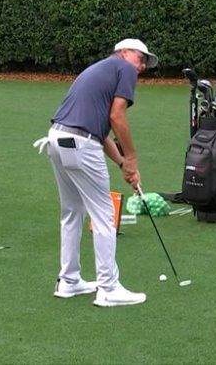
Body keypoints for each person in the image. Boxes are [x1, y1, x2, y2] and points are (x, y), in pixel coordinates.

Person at [44, 38, 158, 307]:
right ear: (123, 52)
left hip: (57, 138)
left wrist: (121, 163)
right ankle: (108, 288)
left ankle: (69, 281)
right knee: (105, 214)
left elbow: (102, 129)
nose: (141, 66)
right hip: (81, 142)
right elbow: (117, 117)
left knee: (72, 211)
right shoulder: (123, 69)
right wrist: (131, 157)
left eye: (145, 63)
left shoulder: (100, 70)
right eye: (140, 58)